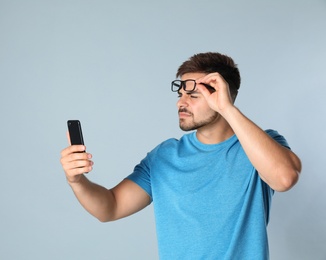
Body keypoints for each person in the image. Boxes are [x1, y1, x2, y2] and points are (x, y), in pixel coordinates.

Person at [60, 52, 302, 259]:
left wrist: (228, 109)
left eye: (194, 96)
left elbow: (284, 178)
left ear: (226, 96)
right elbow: (110, 208)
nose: (181, 103)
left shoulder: (261, 144)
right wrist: (77, 181)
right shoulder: (164, 157)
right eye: (180, 95)